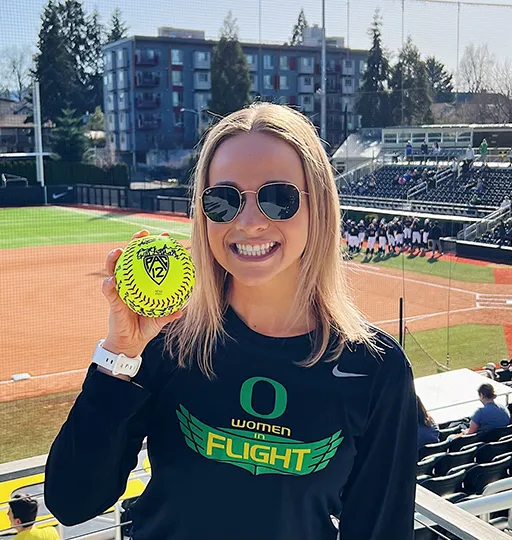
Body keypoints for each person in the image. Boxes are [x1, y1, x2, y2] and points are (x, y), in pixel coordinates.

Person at [44, 104, 418, 540]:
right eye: (224, 200)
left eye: (279, 198)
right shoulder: (167, 341)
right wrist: (120, 355)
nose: (250, 222)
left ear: (319, 206)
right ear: (203, 214)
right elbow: (72, 501)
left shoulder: (374, 367)